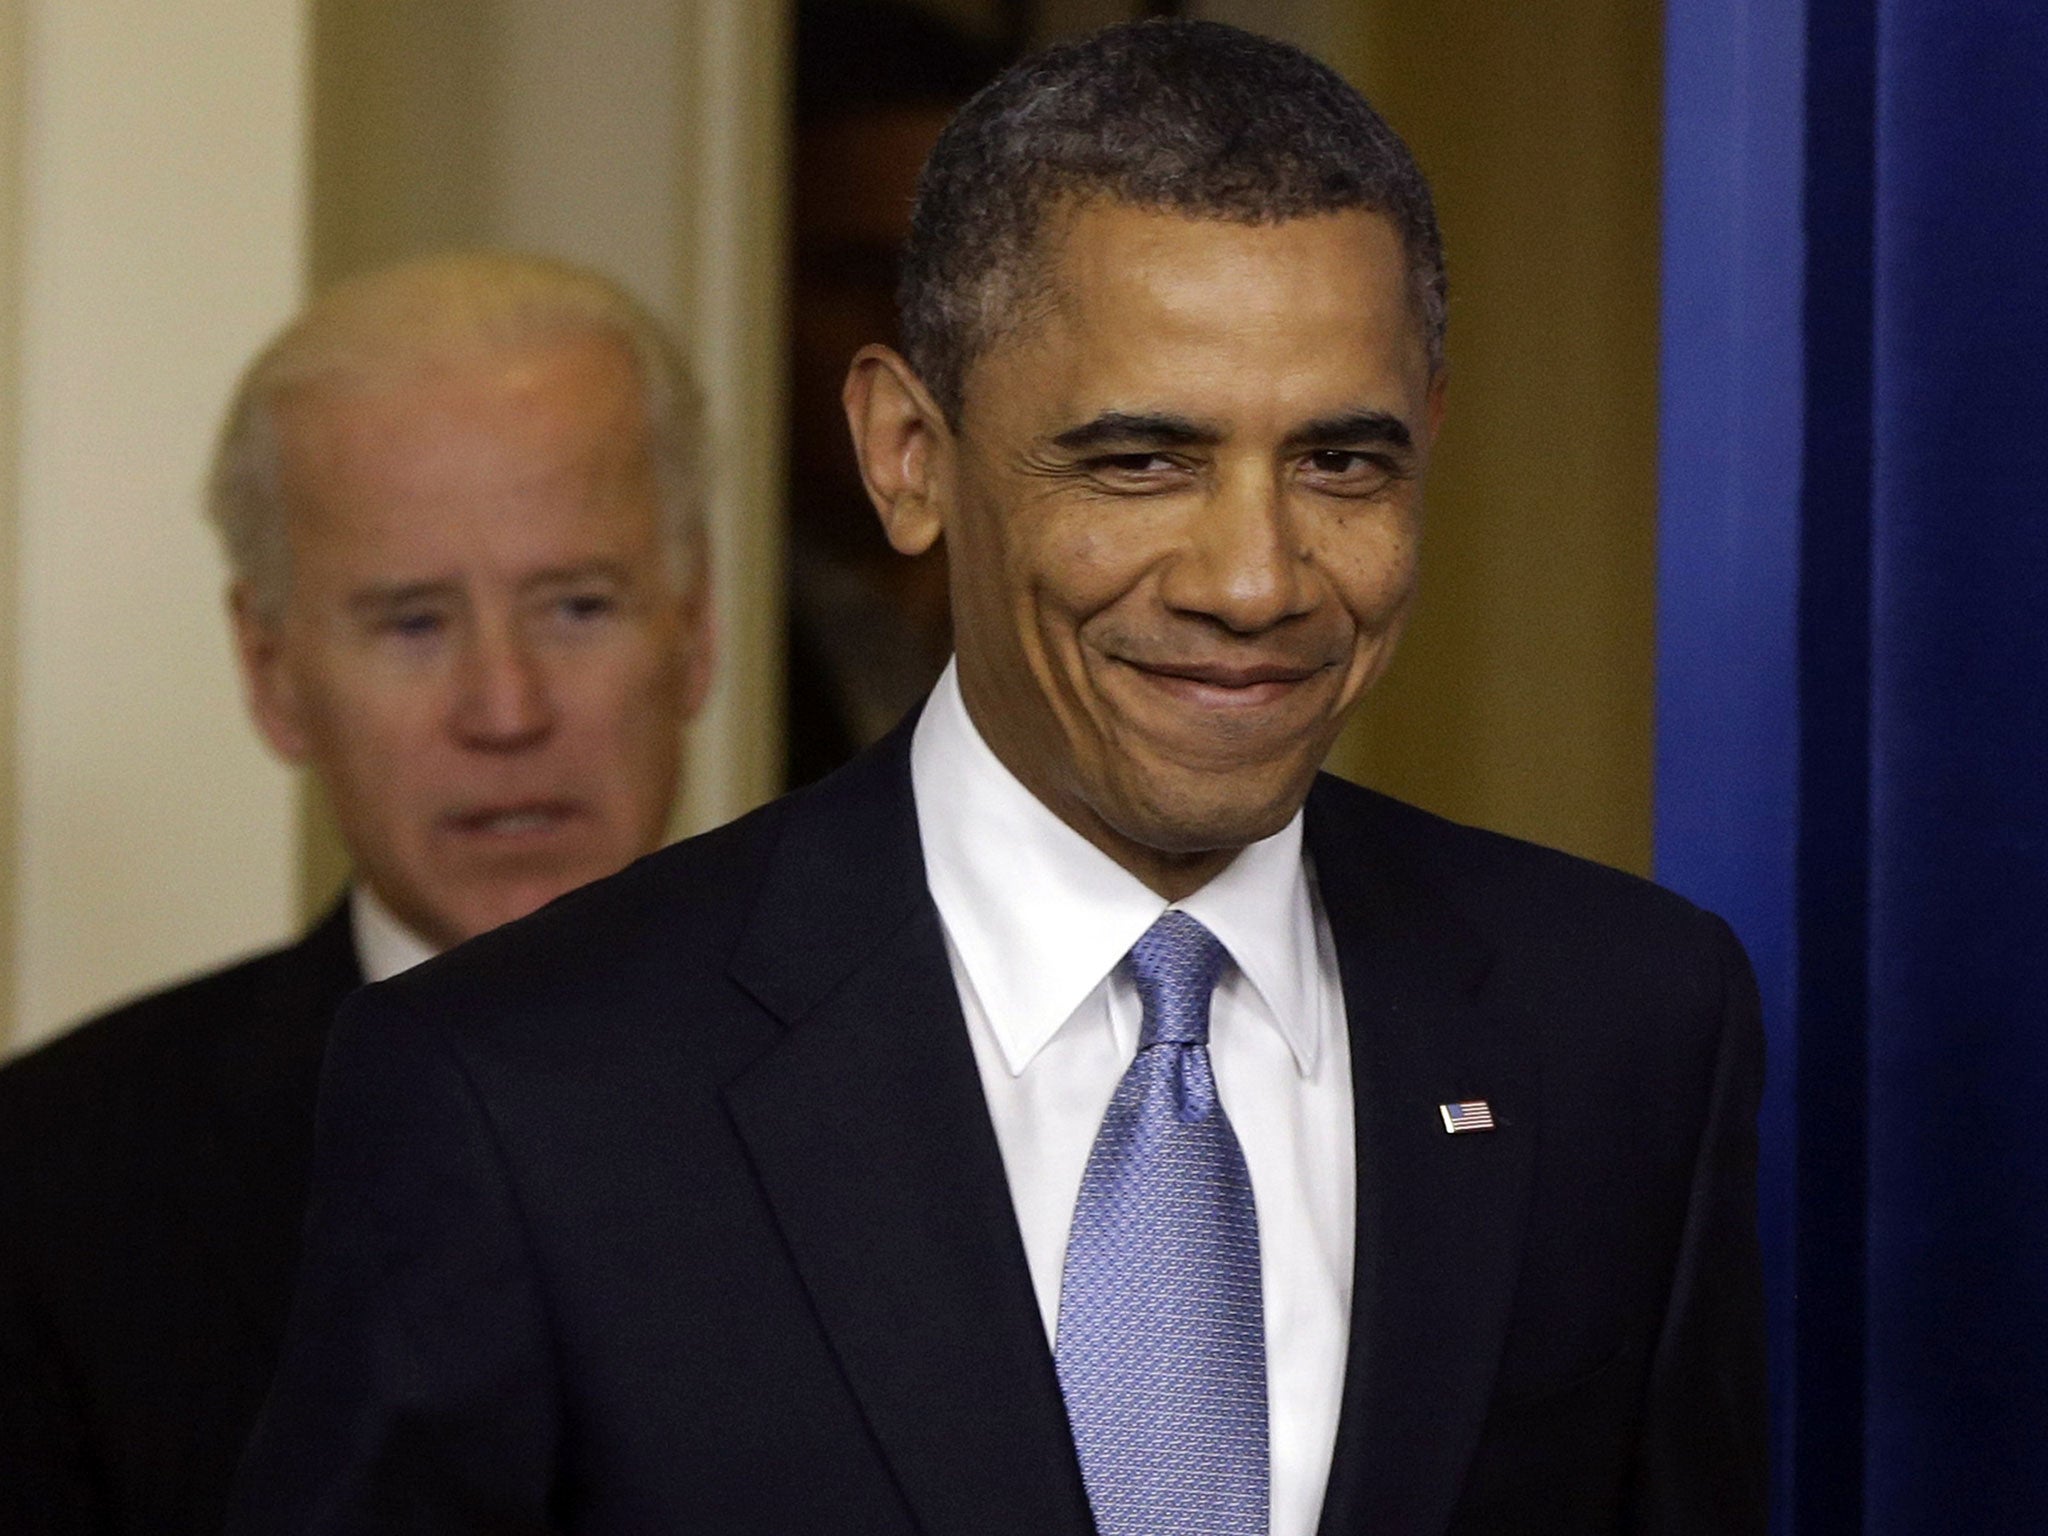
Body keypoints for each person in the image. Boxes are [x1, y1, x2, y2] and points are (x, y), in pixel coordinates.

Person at [231, 22, 1765, 1536]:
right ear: (909, 455)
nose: (1256, 577)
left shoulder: (1621, 1027)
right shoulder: (525, 1092)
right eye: (1140, 462)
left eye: (1340, 464)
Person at [0, 252, 714, 1536]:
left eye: (575, 605)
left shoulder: (945, 1084)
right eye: (411, 624)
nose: (506, 710)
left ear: (694, 626)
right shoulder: (47, 1190)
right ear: (271, 673)